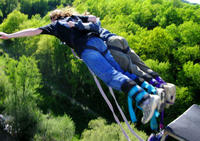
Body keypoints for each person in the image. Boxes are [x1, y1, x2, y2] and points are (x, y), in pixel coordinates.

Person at [0, 7, 161, 124]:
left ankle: (145, 101)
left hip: (87, 50)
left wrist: (9, 35)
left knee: (111, 77)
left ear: (54, 18)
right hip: (99, 43)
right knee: (121, 71)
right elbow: (94, 20)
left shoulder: (55, 25)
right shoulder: (76, 18)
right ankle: (152, 92)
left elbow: (33, 30)